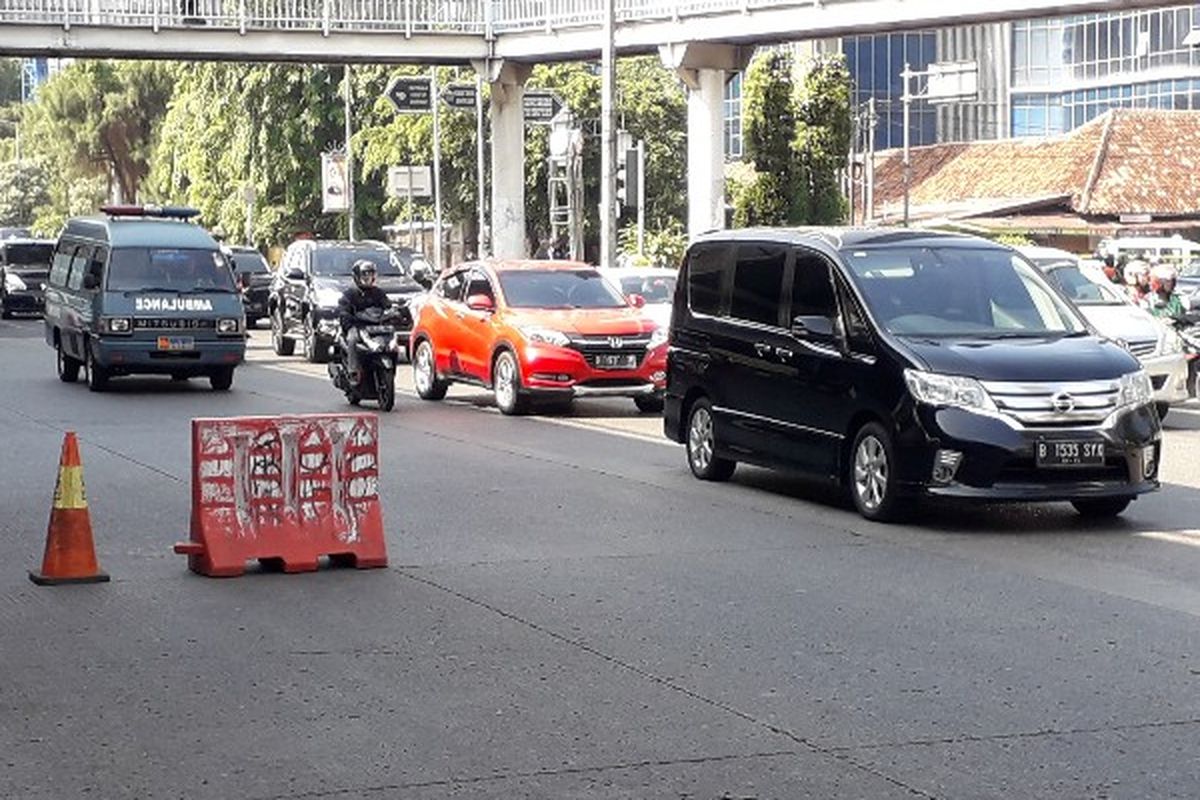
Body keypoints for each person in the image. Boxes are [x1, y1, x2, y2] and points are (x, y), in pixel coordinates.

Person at [337, 260, 390, 382]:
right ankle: (353, 372)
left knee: (387, 341)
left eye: (370, 274)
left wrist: (397, 312)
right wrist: (346, 315)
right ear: (357, 276)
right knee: (352, 339)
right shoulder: (350, 294)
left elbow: (388, 306)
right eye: (364, 274)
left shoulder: (378, 293)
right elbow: (343, 308)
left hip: (375, 327)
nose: (367, 277)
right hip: (356, 326)